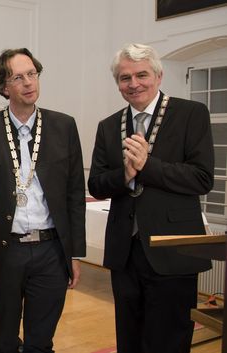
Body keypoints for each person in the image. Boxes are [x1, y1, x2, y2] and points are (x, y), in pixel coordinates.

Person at [88, 43, 214, 353]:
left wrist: (148, 166)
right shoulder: (108, 126)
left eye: (141, 75)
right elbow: (97, 185)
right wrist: (126, 175)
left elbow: (201, 178)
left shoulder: (190, 114)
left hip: (174, 249)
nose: (133, 84)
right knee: (129, 337)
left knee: (169, 338)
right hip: (124, 251)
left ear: (158, 76)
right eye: (124, 78)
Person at [0, 48, 86, 353]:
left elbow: (74, 194)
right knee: (2, 340)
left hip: (51, 251)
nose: (29, 82)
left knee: (41, 342)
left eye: (32, 74)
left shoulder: (64, 126)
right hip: (4, 252)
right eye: (18, 77)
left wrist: (75, 254)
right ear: (5, 87)